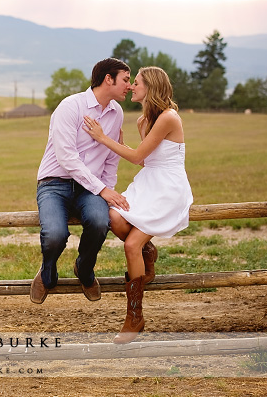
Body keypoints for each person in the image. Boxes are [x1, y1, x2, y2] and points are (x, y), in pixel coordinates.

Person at [83, 66, 193, 344]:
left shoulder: (169, 118)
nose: (132, 86)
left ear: (151, 87)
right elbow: (145, 160)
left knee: (129, 244)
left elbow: (136, 157)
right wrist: (120, 143)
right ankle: (148, 251)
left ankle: (135, 317)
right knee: (115, 218)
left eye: (137, 82)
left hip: (168, 187)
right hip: (149, 182)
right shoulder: (143, 121)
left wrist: (104, 139)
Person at [30, 57, 133, 305]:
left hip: (90, 188)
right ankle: (48, 273)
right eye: (126, 80)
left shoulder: (116, 113)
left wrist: (107, 189)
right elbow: (67, 158)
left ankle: (84, 270)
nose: (129, 86)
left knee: (100, 222)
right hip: (54, 184)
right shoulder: (70, 107)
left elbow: (111, 156)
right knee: (54, 235)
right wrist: (103, 189)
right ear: (108, 79)